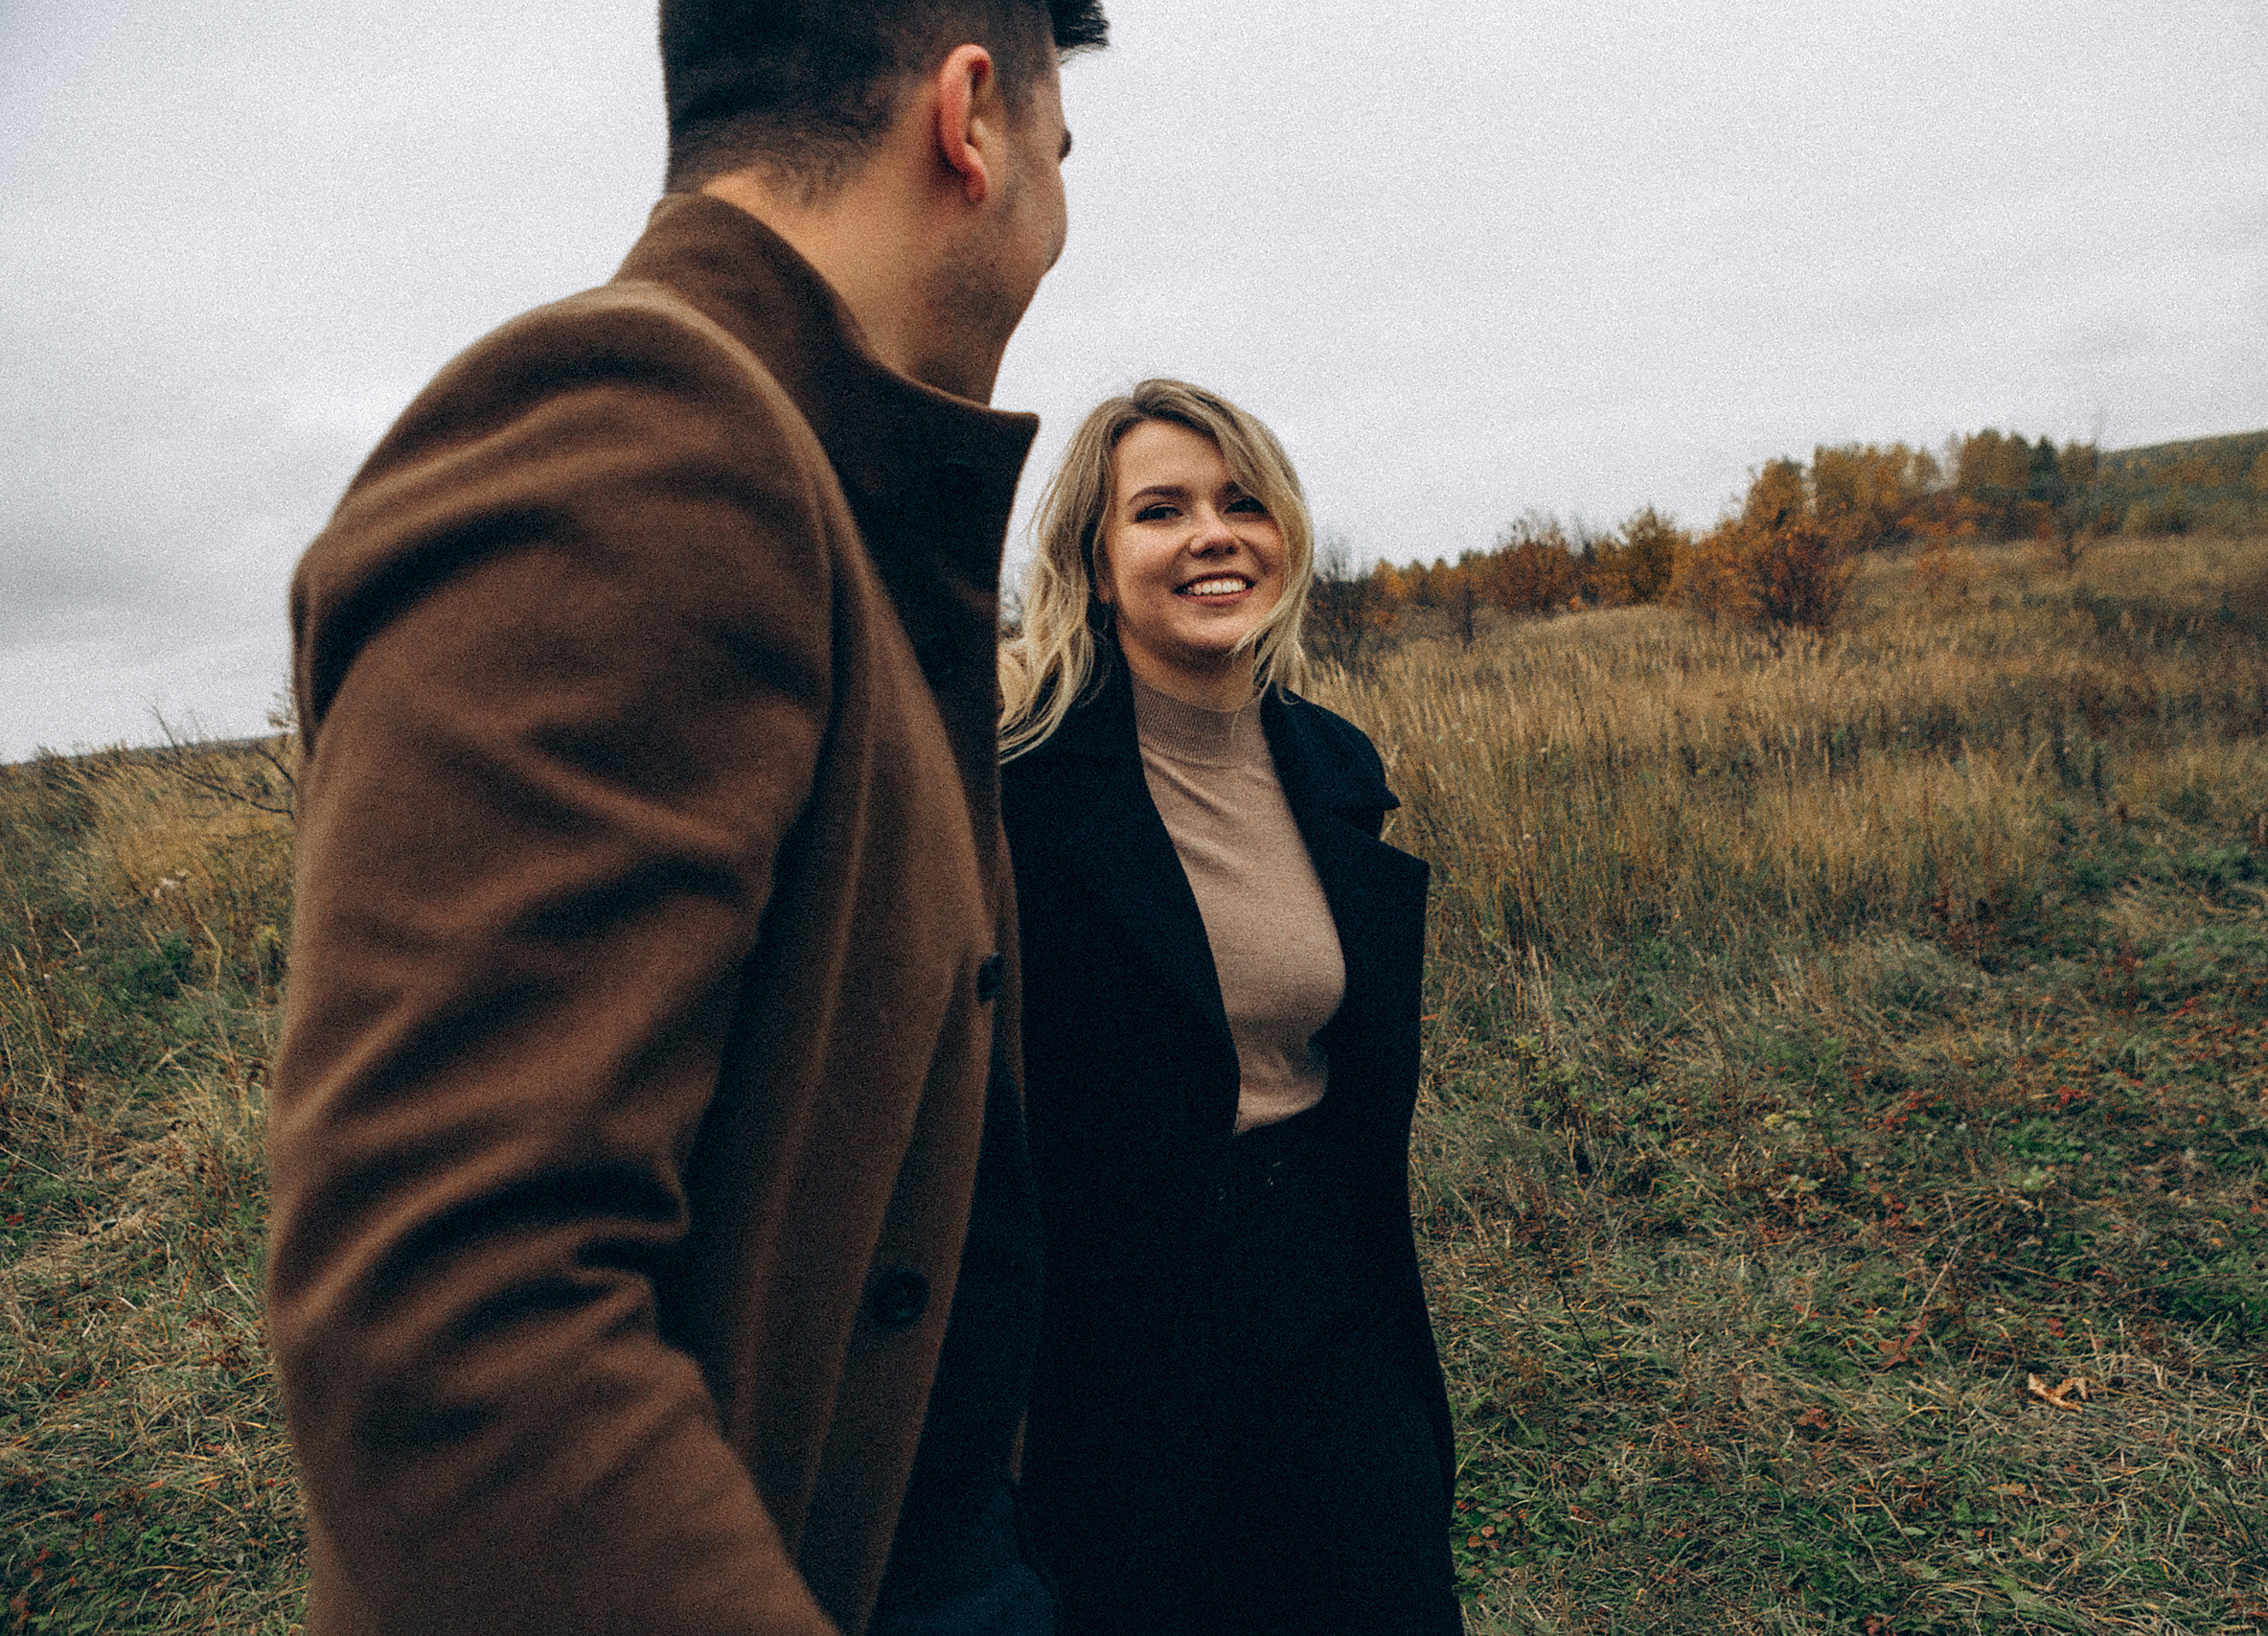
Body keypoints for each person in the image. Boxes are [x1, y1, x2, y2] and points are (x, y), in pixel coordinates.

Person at [266, 5, 1107, 1634]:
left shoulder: (822, 488)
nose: (1061, 212)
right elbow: (454, 1334)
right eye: (1064, 157)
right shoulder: (639, 435)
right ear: (972, 121)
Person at [997, 380, 1462, 1635]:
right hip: (1119, 1329)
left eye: (1241, 502)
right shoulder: (1018, 802)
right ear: (1095, 567)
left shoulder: (1334, 766)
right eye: (1160, 510)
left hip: (1331, 1282)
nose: (1214, 533)